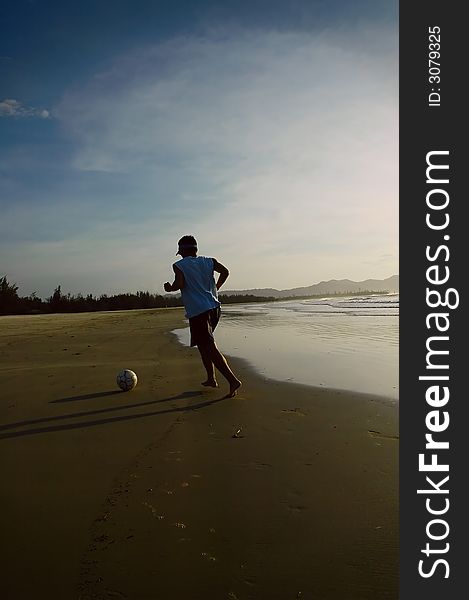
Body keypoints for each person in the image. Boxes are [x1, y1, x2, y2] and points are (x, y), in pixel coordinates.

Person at [164, 235, 242, 398]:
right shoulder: (209, 261)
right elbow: (225, 272)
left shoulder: (179, 265)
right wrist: (216, 287)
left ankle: (233, 380)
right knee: (203, 344)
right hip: (214, 308)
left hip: (198, 311)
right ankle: (211, 378)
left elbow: (180, 284)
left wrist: (170, 288)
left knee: (208, 346)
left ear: (182, 251)